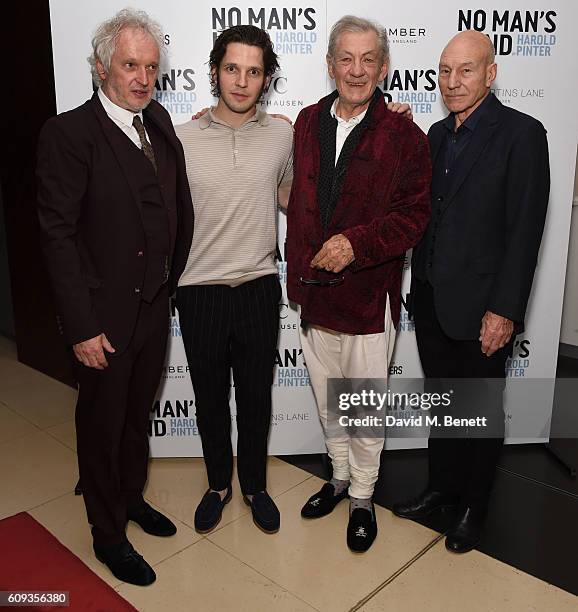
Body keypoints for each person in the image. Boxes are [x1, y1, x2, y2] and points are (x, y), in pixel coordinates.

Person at [36, 8, 194, 585]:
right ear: (101, 65)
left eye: (151, 66)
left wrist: (167, 283)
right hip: (101, 318)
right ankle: (107, 532)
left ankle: (130, 499)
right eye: (131, 65)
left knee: (135, 418)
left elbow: (175, 205)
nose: (143, 77)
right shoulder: (69, 134)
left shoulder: (159, 121)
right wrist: (80, 325)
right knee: (101, 425)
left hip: (153, 307)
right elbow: (57, 236)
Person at [392, 30, 550, 554]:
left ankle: (473, 507)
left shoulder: (522, 133)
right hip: (433, 301)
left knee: (480, 412)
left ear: (491, 72)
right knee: (444, 404)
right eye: (444, 71)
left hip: (484, 308)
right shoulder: (434, 135)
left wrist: (503, 309)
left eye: (465, 70)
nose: (452, 82)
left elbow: (525, 229)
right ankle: (442, 488)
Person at [286, 15, 431, 552]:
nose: (356, 70)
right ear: (329, 65)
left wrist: (356, 244)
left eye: (368, 59)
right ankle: (340, 477)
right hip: (312, 293)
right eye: (346, 58)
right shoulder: (304, 122)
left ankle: (365, 495)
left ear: (384, 67)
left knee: (364, 406)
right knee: (329, 401)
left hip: (368, 297)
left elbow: (414, 217)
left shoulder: (403, 134)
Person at [175, 25, 293, 535]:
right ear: (214, 71)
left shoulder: (284, 134)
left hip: (259, 285)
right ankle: (218, 484)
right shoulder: (181, 138)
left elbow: (293, 195)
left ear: (266, 78)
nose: (241, 82)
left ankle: (255, 486)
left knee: (255, 397)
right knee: (207, 397)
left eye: (253, 71)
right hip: (199, 288)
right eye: (231, 69)